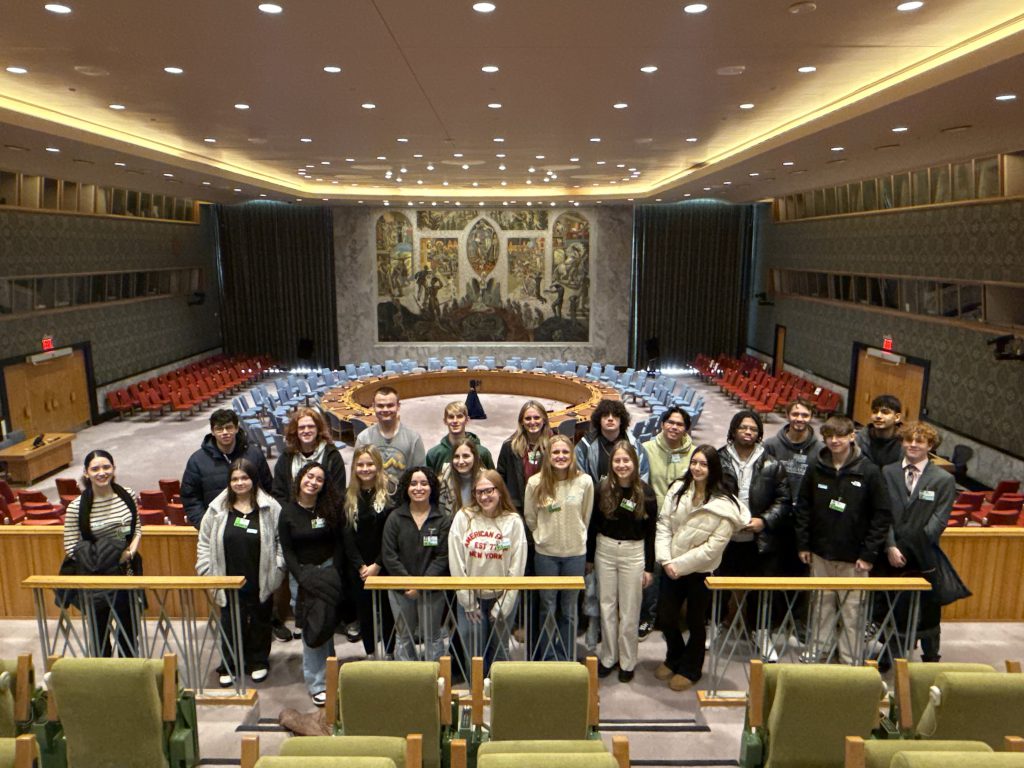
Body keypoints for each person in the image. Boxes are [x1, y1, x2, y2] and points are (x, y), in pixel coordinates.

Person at [794, 415, 891, 664]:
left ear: (852, 437)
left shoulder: (869, 471)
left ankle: (850, 658)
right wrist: (804, 544)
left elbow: (881, 516)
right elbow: (803, 508)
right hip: (820, 553)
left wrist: (869, 555)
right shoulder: (816, 468)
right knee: (820, 608)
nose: (834, 441)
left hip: (855, 559)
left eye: (840, 435)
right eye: (829, 436)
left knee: (852, 612)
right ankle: (820, 651)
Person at [655, 446, 749, 691]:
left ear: (713, 469)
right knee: (666, 618)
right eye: (694, 462)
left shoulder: (725, 505)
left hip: (701, 572)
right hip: (670, 567)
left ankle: (690, 668)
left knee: (696, 622)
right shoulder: (678, 490)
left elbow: (712, 549)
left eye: (703, 464)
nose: (697, 468)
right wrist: (666, 560)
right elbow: (664, 525)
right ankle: (673, 656)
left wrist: (679, 565)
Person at [196, 458, 284, 685]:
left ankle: (258, 661)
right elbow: (204, 541)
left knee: (260, 621)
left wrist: (277, 569)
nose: (240, 483)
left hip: (260, 576)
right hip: (227, 577)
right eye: (234, 479)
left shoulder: (270, 507)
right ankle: (230, 664)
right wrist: (206, 571)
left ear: (253, 480)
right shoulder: (216, 509)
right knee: (229, 623)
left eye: (244, 478)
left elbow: (280, 541)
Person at [718, 410, 791, 661]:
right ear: (734, 430)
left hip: (759, 540)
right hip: (726, 537)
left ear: (759, 434)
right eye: (743, 428)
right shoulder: (719, 459)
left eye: (753, 429)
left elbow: (784, 500)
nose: (748, 433)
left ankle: (760, 632)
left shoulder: (773, 464)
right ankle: (715, 626)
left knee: (760, 590)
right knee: (720, 586)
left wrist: (764, 521)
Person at [881, 422, 957, 662]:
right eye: (909, 440)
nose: (913, 445)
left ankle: (931, 655)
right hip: (892, 552)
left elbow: (940, 518)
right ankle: (888, 654)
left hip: (925, 555)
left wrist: (915, 545)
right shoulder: (888, 472)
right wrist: (890, 545)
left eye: (920, 441)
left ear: (930, 446)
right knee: (893, 605)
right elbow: (883, 513)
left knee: (927, 610)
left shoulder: (943, 479)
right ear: (902, 442)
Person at [587, 442, 657, 682]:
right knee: (606, 606)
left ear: (635, 463)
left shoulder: (646, 493)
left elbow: (651, 533)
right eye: (617, 461)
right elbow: (593, 525)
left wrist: (649, 567)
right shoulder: (602, 488)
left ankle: (627, 661)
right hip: (605, 550)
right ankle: (608, 657)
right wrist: (589, 558)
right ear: (611, 464)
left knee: (629, 610)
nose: (622, 465)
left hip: (633, 553)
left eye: (626, 461)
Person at [62, 449, 142, 657]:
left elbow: (137, 529)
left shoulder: (127, 495)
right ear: (86, 473)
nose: (101, 473)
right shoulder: (76, 507)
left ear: (113, 469)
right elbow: (71, 547)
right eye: (95, 469)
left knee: (129, 630)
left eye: (106, 467)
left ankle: (130, 675)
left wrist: (129, 553)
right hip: (95, 577)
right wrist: (105, 559)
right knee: (100, 633)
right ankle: (104, 678)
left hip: (126, 571)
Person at [278, 462, 345, 706]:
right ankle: (316, 682)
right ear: (300, 478)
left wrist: (335, 570)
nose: (313, 482)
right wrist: (301, 576)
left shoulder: (328, 508)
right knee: (312, 629)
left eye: (319, 479)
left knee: (327, 626)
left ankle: (330, 676)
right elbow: (287, 550)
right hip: (303, 577)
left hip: (328, 572)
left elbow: (339, 542)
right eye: (310, 476)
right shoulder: (287, 512)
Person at [447, 471, 526, 675]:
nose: (484, 497)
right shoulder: (464, 517)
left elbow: (517, 567)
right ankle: (476, 697)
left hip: (501, 597)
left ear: (500, 491)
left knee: (499, 651)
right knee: (473, 654)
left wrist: (505, 604)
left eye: (489, 491)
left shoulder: (513, 521)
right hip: (471, 599)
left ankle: (496, 697)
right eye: (479, 492)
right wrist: (467, 600)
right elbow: (456, 562)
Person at [524, 433, 594, 661]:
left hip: (575, 555)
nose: (561, 456)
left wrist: (577, 536)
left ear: (572, 455)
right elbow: (530, 517)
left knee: (569, 609)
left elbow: (586, 515)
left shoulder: (584, 482)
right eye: (556, 452)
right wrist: (542, 536)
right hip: (546, 555)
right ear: (548, 456)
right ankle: (545, 656)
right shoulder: (535, 483)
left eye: (565, 452)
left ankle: (565, 656)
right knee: (547, 607)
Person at [381, 466, 451, 661]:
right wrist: (407, 583)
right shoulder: (394, 518)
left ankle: (435, 678)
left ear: (432, 488)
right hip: (400, 589)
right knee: (404, 637)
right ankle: (408, 680)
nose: (418, 488)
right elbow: (389, 555)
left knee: (433, 637)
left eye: (423, 483)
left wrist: (421, 585)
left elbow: (442, 557)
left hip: (432, 590)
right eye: (413, 484)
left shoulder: (442, 520)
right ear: (406, 488)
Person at [640, 406, 696, 640]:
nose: (674, 427)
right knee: (652, 572)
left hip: (682, 522)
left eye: (679, 424)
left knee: (677, 570)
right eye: (670, 422)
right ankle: (648, 618)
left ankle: (672, 619)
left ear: (686, 428)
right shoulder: (647, 449)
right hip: (654, 521)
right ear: (662, 424)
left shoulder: (694, 453)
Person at [341, 445, 396, 658]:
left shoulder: (390, 492)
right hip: (360, 568)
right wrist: (361, 566)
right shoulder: (348, 496)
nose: (365, 469)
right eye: (360, 464)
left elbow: (392, 535)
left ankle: (390, 653)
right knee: (365, 613)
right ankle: (371, 653)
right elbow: (346, 535)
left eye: (370, 464)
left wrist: (378, 564)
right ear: (354, 467)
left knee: (388, 612)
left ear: (378, 465)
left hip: (384, 563)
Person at [181, 408, 272, 527]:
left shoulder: (254, 454)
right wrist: (205, 524)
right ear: (212, 432)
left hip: (253, 525)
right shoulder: (197, 461)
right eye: (219, 429)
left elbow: (268, 489)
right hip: (216, 527)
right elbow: (191, 498)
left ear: (236, 428)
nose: (224, 432)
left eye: (229, 427)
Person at [272, 407, 347, 504]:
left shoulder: (332, 456)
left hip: (325, 514)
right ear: (296, 431)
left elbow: (338, 492)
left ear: (318, 429)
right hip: (292, 513)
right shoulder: (286, 457)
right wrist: (289, 513)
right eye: (301, 427)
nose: (306, 431)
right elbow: (278, 492)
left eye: (311, 426)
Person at [355, 386, 426, 485]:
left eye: (390, 405)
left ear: (398, 406)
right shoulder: (363, 438)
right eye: (380, 406)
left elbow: (420, 475)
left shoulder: (414, 439)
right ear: (373, 406)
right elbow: (357, 476)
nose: (385, 409)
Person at [575, 398, 650, 486]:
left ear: (621, 420)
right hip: (596, 497)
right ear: (599, 420)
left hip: (627, 498)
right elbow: (580, 479)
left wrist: (630, 499)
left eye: (615, 415)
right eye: (605, 415)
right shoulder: (584, 447)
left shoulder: (635, 446)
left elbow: (642, 477)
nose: (610, 419)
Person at [496, 400, 551, 515]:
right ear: (521, 421)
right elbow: (500, 478)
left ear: (544, 420)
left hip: (546, 506)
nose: (532, 422)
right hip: (518, 508)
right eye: (528, 418)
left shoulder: (553, 445)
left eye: (537, 418)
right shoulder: (509, 447)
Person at [764, 398, 822, 499]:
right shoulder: (770, 445)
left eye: (805, 415)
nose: (799, 419)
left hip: (805, 508)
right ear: (787, 415)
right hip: (777, 505)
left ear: (811, 417)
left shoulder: (821, 450)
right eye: (795, 414)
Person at [425, 401, 494, 473]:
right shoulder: (434, 455)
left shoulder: (482, 453)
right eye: (451, 417)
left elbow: (493, 480)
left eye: (459, 416)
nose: (455, 421)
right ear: (445, 421)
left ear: (467, 420)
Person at [438, 437, 485, 517]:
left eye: (466, 456)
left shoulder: (486, 480)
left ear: (475, 457)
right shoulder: (442, 480)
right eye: (456, 457)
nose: (460, 461)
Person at [856, 394, 904, 469]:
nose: (878, 416)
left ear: (897, 417)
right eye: (875, 412)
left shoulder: (906, 441)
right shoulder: (860, 438)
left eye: (885, 412)